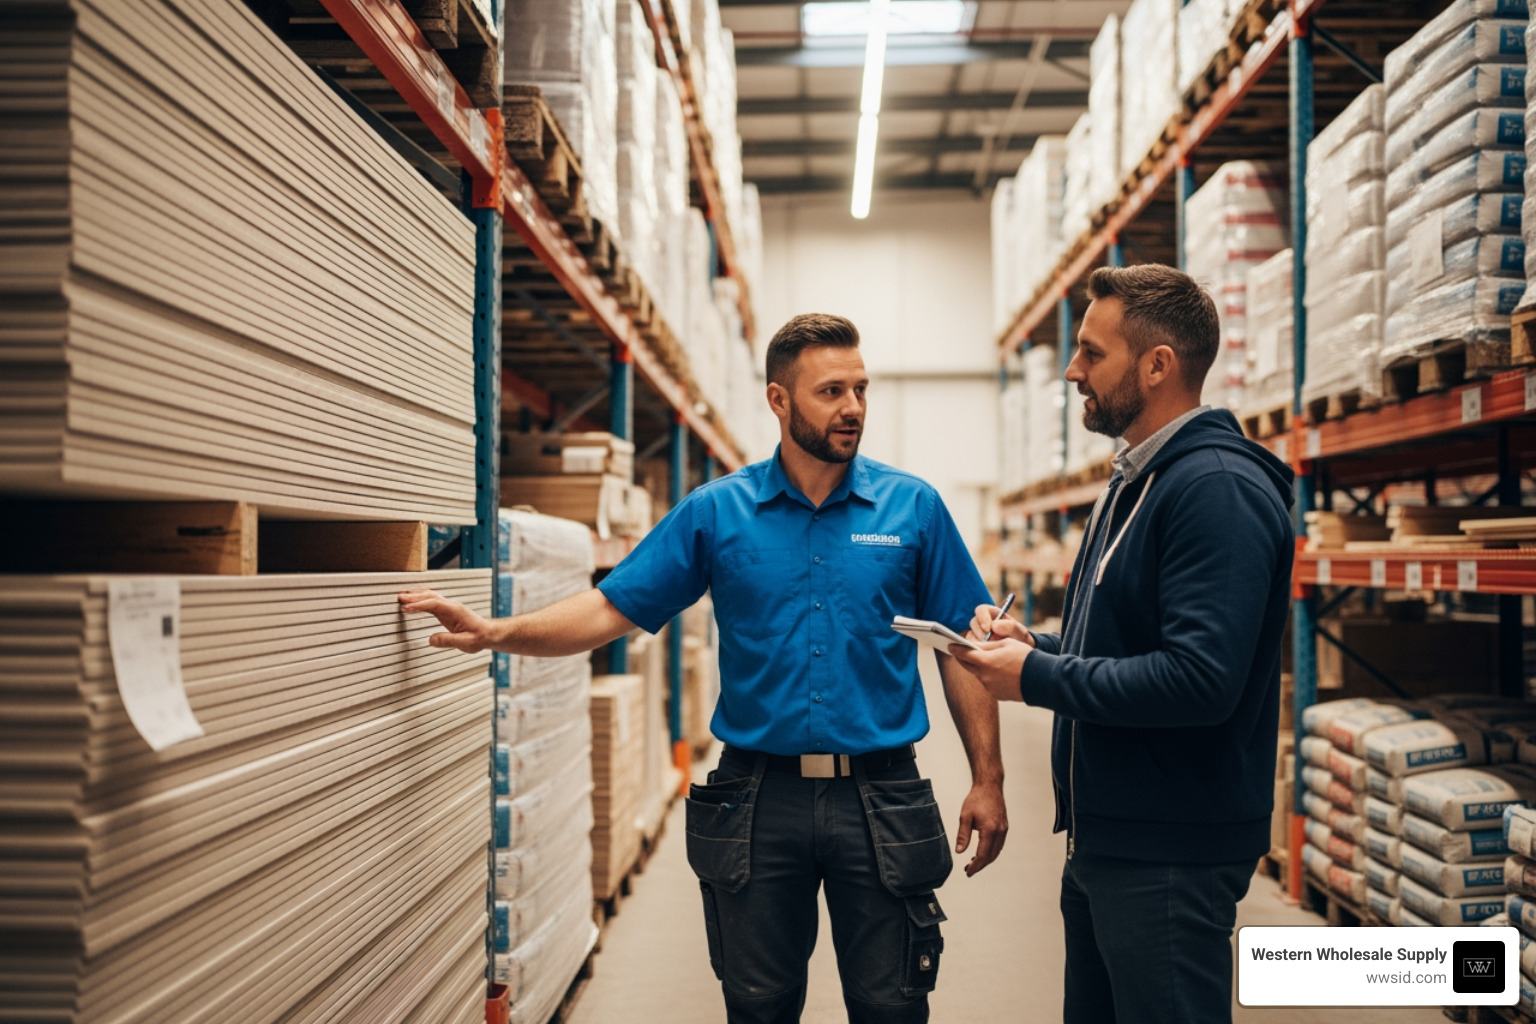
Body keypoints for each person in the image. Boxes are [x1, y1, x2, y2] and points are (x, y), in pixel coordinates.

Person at [399, 313, 1008, 1024]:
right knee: (758, 1008)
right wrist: (497, 631)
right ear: (780, 401)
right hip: (757, 798)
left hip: (881, 794)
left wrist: (988, 779)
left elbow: (968, 649)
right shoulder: (718, 513)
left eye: (862, 390)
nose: (853, 409)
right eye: (831, 391)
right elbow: (609, 609)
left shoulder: (915, 509)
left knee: (892, 1007)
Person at [951, 264, 1294, 1024]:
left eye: (1090, 353)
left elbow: (1201, 680)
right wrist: (1032, 641)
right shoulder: (1137, 481)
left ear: (1158, 365)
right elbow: (1127, 638)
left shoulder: (1214, 489)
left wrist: (1035, 675)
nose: (1072, 371)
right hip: (1114, 841)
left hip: (1171, 851)